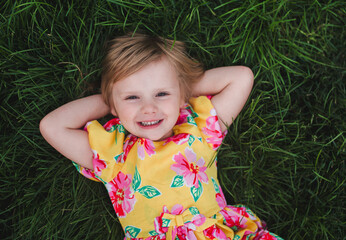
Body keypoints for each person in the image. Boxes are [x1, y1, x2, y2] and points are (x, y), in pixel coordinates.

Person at [40, 32, 282, 240]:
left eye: (161, 93)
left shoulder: (199, 130)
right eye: (132, 97)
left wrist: (180, 90)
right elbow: (52, 126)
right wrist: (110, 100)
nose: (149, 108)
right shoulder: (113, 155)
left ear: (180, 95)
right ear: (114, 106)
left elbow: (241, 77)